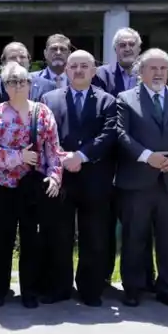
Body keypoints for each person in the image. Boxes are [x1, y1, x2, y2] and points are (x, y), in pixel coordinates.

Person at [115, 48, 168, 308]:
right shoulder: (125, 98)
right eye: (153, 68)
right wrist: (146, 156)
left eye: (163, 68)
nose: (159, 73)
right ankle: (133, 287)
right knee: (134, 238)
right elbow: (120, 133)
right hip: (138, 181)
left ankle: (167, 288)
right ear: (141, 72)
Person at [0, 61, 63, 307]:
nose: (17, 86)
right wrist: (18, 157)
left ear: (30, 84)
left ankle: (30, 290)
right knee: (0, 239)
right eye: (12, 81)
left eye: (22, 81)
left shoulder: (43, 112)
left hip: (33, 187)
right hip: (0, 185)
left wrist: (55, 176)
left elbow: (53, 149)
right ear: (5, 86)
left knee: (32, 241)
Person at [41, 50, 118, 307]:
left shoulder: (108, 101)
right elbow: (44, 135)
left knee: (94, 236)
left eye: (84, 66)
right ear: (66, 70)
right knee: (58, 235)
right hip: (60, 178)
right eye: (73, 66)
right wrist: (62, 157)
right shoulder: (49, 99)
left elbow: (108, 135)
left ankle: (90, 289)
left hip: (95, 178)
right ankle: (58, 287)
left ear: (94, 70)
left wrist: (81, 156)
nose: (78, 70)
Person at [93, 27, 142, 96]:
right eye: (122, 45)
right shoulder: (101, 74)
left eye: (131, 44)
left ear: (139, 49)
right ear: (115, 49)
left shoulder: (147, 74)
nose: (127, 49)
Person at [31, 33, 72, 100]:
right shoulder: (32, 80)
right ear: (45, 53)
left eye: (63, 49)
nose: (58, 53)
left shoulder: (77, 80)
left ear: (69, 54)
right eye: (54, 49)